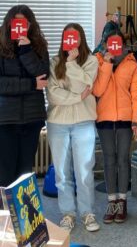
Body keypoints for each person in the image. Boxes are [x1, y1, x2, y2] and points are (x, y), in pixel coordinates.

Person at [47, 23, 99, 232]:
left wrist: (71, 64)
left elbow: (85, 85)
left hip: (84, 122)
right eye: (67, 37)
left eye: (75, 37)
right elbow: (52, 94)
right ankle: (67, 213)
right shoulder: (54, 62)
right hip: (57, 123)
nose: (71, 41)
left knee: (84, 171)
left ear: (81, 39)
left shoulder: (92, 61)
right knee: (61, 172)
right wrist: (78, 97)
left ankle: (87, 213)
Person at [93, 30, 137, 224]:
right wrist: (107, 63)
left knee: (123, 159)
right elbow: (97, 89)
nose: (113, 46)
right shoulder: (97, 61)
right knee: (109, 160)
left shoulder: (131, 64)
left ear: (123, 45)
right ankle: (111, 201)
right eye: (109, 43)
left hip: (125, 118)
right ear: (105, 44)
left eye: (117, 43)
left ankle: (122, 201)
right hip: (104, 117)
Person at [0, 5, 49, 187]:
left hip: (32, 118)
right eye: (16, 22)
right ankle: (4, 215)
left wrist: (26, 50)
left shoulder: (38, 45)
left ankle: (24, 215)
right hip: (6, 119)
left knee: (25, 173)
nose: (20, 26)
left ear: (30, 24)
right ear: (8, 23)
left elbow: (43, 75)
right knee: (5, 172)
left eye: (24, 23)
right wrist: (31, 84)